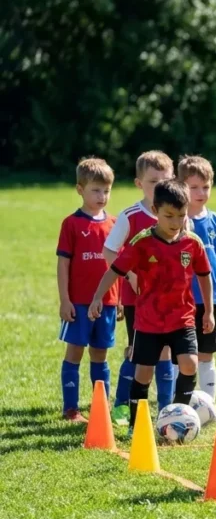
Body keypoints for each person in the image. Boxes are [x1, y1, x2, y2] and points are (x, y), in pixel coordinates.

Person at [89, 180, 214, 433]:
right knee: (144, 373)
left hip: (182, 318)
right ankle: (137, 425)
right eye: (169, 215)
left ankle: (179, 419)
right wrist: (97, 297)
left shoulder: (192, 243)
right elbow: (115, 270)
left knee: (189, 363)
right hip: (149, 320)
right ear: (155, 211)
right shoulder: (142, 242)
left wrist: (209, 310)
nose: (175, 222)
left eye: (181, 215)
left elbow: (204, 275)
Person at [103, 150, 175, 424]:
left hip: (169, 300)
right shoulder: (131, 215)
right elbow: (109, 251)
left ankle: (167, 411)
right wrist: (130, 275)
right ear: (139, 183)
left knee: (166, 350)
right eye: (153, 181)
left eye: (165, 180)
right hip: (138, 300)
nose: (160, 187)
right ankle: (122, 405)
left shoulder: (177, 214)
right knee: (137, 351)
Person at [56, 158, 118, 422]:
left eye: (106, 190)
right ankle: (71, 409)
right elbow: (63, 264)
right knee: (75, 352)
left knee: (100, 354)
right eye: (95, 190)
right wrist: (65, 300)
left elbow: (119, 265)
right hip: (79, 303)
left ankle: (100, 407)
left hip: (108, 302)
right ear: (80, 189)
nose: (102, 196)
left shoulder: (115, 224)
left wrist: (121, 299)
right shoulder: (71, 224)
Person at [177, 155, 216, 402]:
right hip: (181, 300)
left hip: (209, 300)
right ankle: (179, 399)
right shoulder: (175, 222)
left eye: (206, 186)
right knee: (179, 353)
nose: (201, 192)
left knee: (206, 353)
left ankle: (208, 402)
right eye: (193, 187)